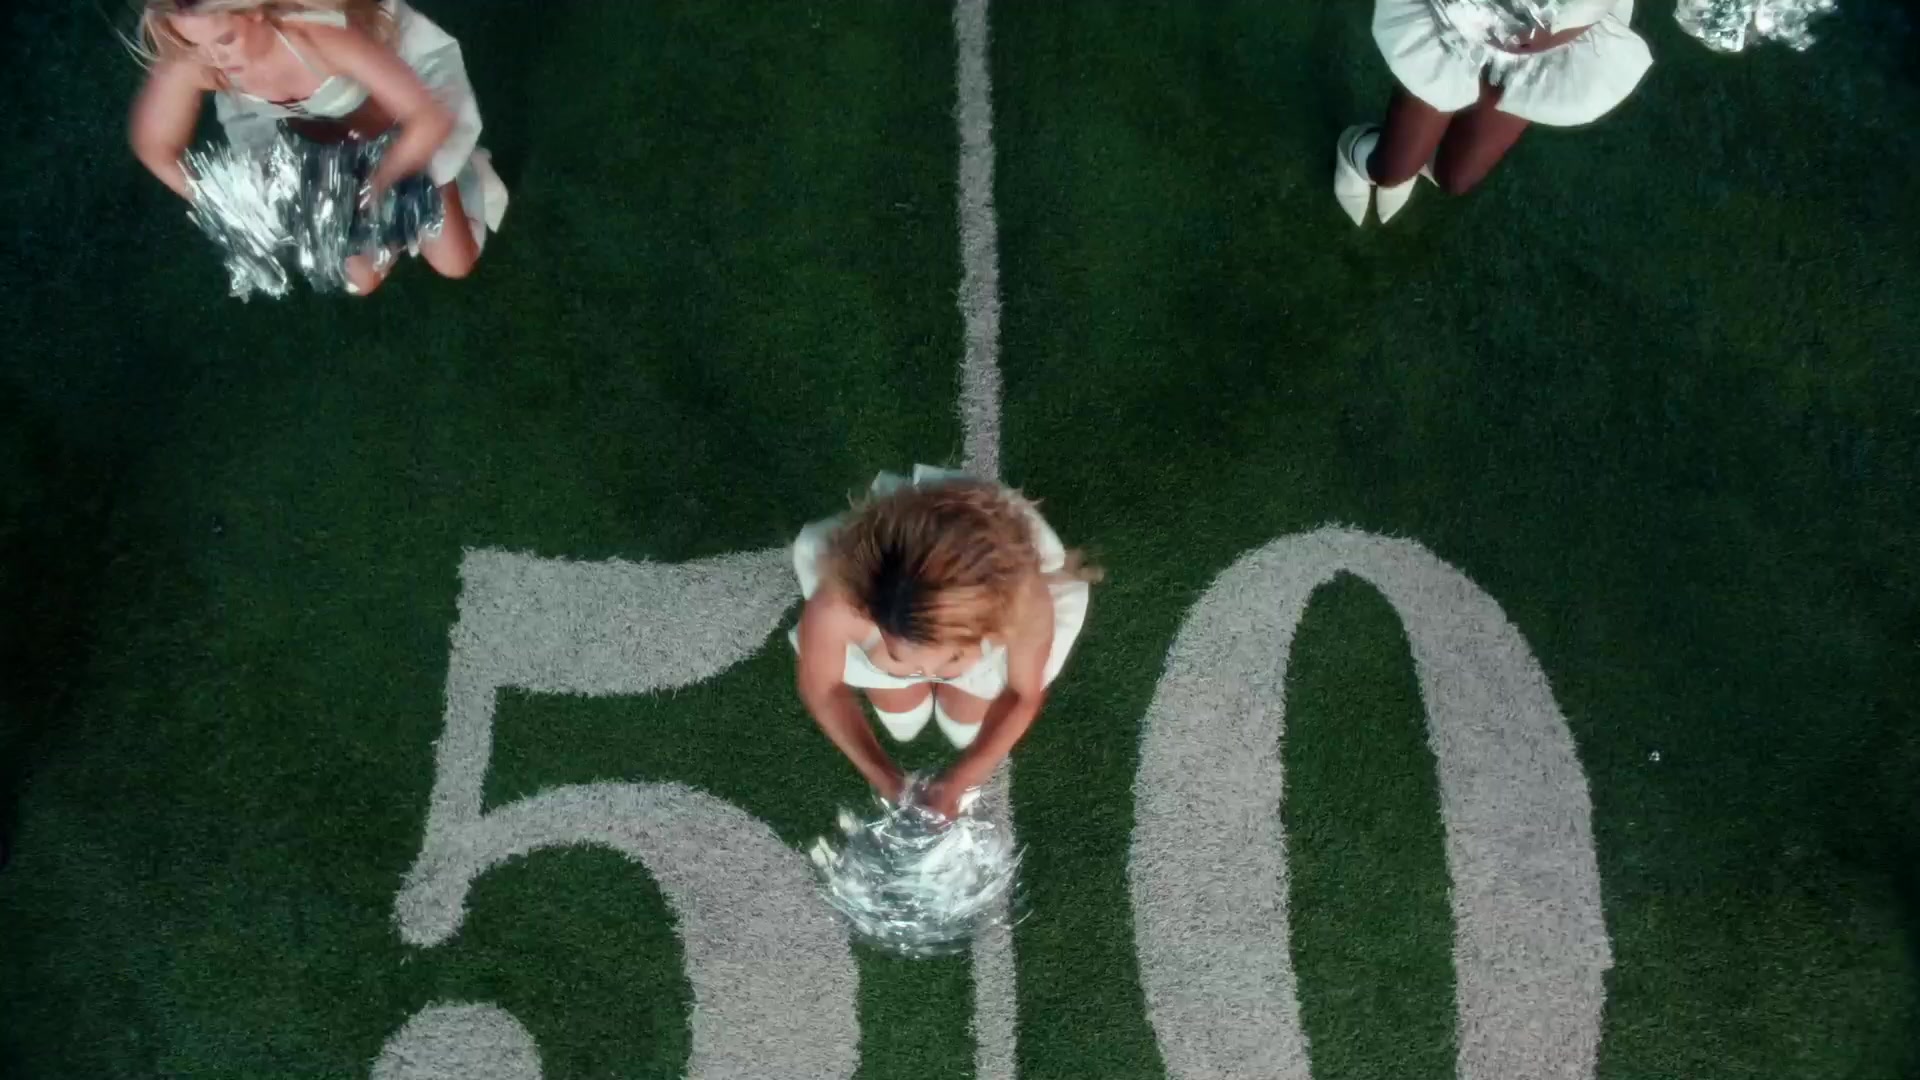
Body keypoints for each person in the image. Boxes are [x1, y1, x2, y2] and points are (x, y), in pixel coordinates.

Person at [128, 0, 507, 294]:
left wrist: (378, 184)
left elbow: (428, 118)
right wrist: (230, 204)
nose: (215, 59)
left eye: (225, 39)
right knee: (361, 280)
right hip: (321, 137)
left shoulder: (320, 35)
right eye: (192, 42)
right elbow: (155, 146)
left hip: (402, 116)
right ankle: (368, 205)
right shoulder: (201, 59)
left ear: (254, 11)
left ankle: (455, 176)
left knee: (456, 263)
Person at [792, 467, 1097, 820]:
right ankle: (912, 672)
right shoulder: (839, 604)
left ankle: (942, 676)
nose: (927, 670)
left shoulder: (1024, 602)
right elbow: (823, 688)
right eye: (898, 654)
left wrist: (960, 783)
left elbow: (1022, 693)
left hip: (983, 658)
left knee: (964, 731)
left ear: (992, 626)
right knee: (903, 726)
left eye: (952, 657)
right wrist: (886, 779)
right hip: (899, 655)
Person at [1335, 0, 1653, 225]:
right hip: (1456, 21)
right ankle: (1356, 150)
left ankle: (1415, 155)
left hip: (1543, 54)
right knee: (1392, 170)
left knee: (1455, 178)